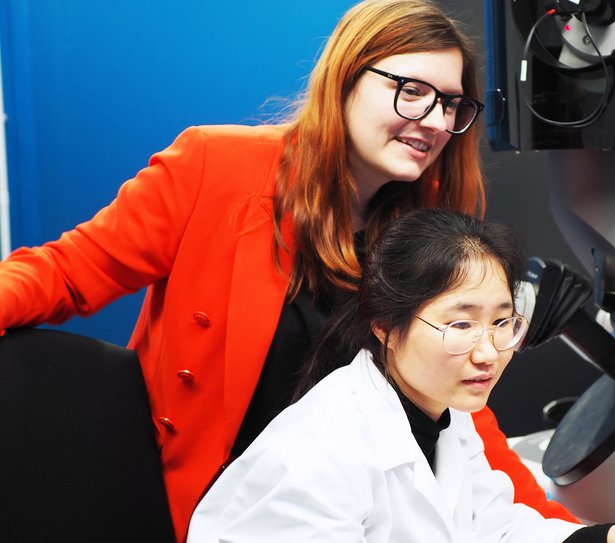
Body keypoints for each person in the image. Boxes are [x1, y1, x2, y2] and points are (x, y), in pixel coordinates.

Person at [0, 0, 575, 539]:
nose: (431, 119)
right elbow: (64, 273)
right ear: (344, 79)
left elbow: (457, 414)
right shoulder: (215, 168)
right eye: (410, 90)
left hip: (355, 517)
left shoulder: (428, 226)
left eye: (450, 104)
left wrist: (572, 533)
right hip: (210, 509)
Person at [187, 208, 615, 543]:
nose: (487, 352)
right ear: (385, 326)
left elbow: (497, 530)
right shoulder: (317, 456)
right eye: (460, 324)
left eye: (503, 323)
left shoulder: (442, 417)